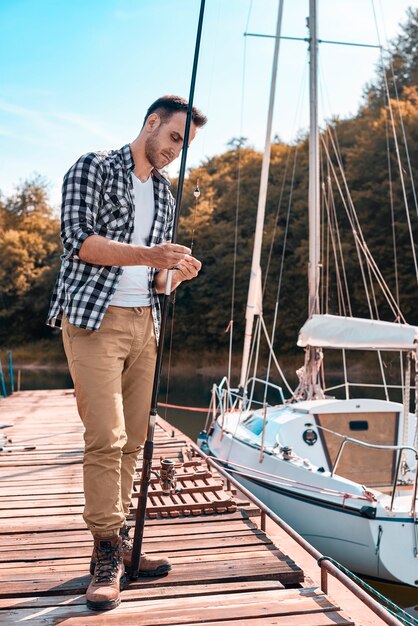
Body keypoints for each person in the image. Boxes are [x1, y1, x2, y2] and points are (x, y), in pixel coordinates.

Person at [47, 95, 207, 611]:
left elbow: (156, 278)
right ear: (152, 123)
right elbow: (79, 242)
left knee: (135, 440)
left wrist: (173, 275)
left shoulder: (165, 195)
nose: (175, 152)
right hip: (94, 320)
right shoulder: (92, 167)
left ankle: (121, 546)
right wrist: (152, 255)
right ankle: (105, 552)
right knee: (106, 437)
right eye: (174, 138)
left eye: (185, 146)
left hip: (146, 323)